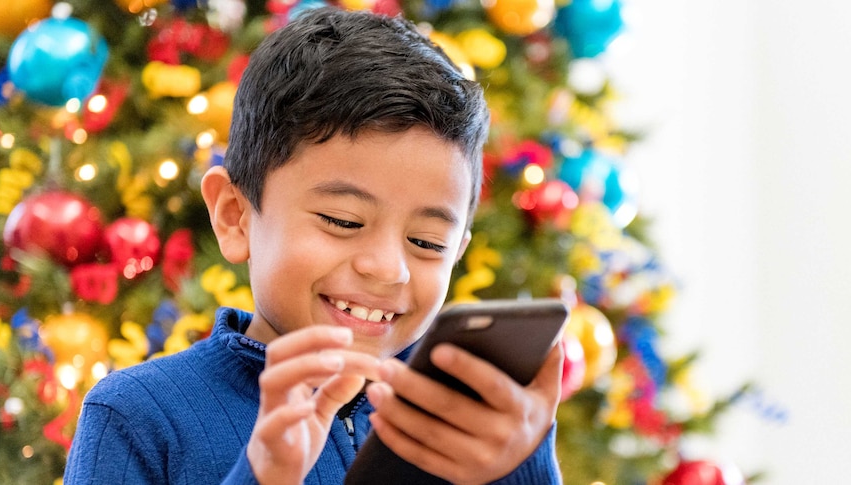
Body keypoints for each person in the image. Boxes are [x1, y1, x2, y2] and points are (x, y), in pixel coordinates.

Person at [64, 7, 564, 484]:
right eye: (342, 221)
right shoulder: (138, 415)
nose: (389, 269)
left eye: (426, 241)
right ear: (234, 216)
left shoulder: (470, 424)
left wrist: (522, 466)